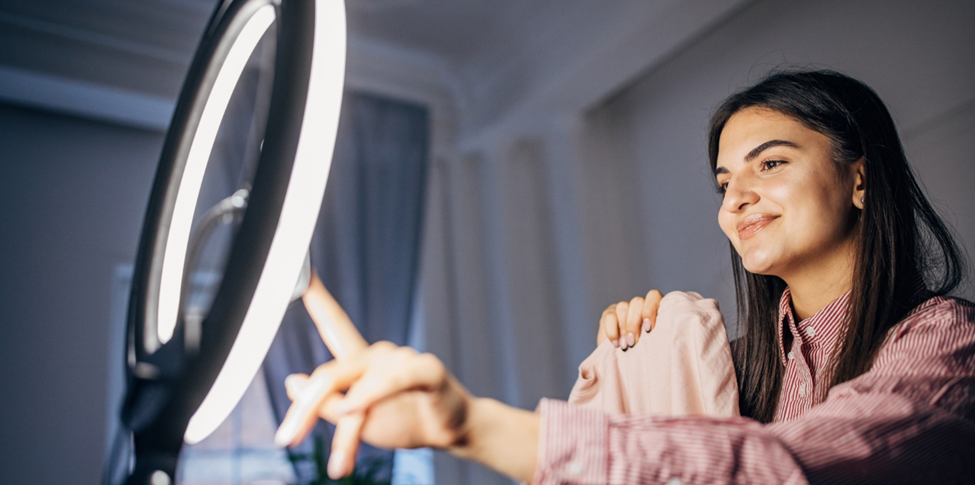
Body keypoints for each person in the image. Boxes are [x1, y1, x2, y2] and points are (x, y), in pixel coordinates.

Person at [274, 70, 975, 484]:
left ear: (858, 178)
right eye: (723, 180)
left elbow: (783, 467)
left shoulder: (944, 344)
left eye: (770, 164)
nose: (734, 200)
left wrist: (471, 424)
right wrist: (646, 358)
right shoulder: (730, 367)